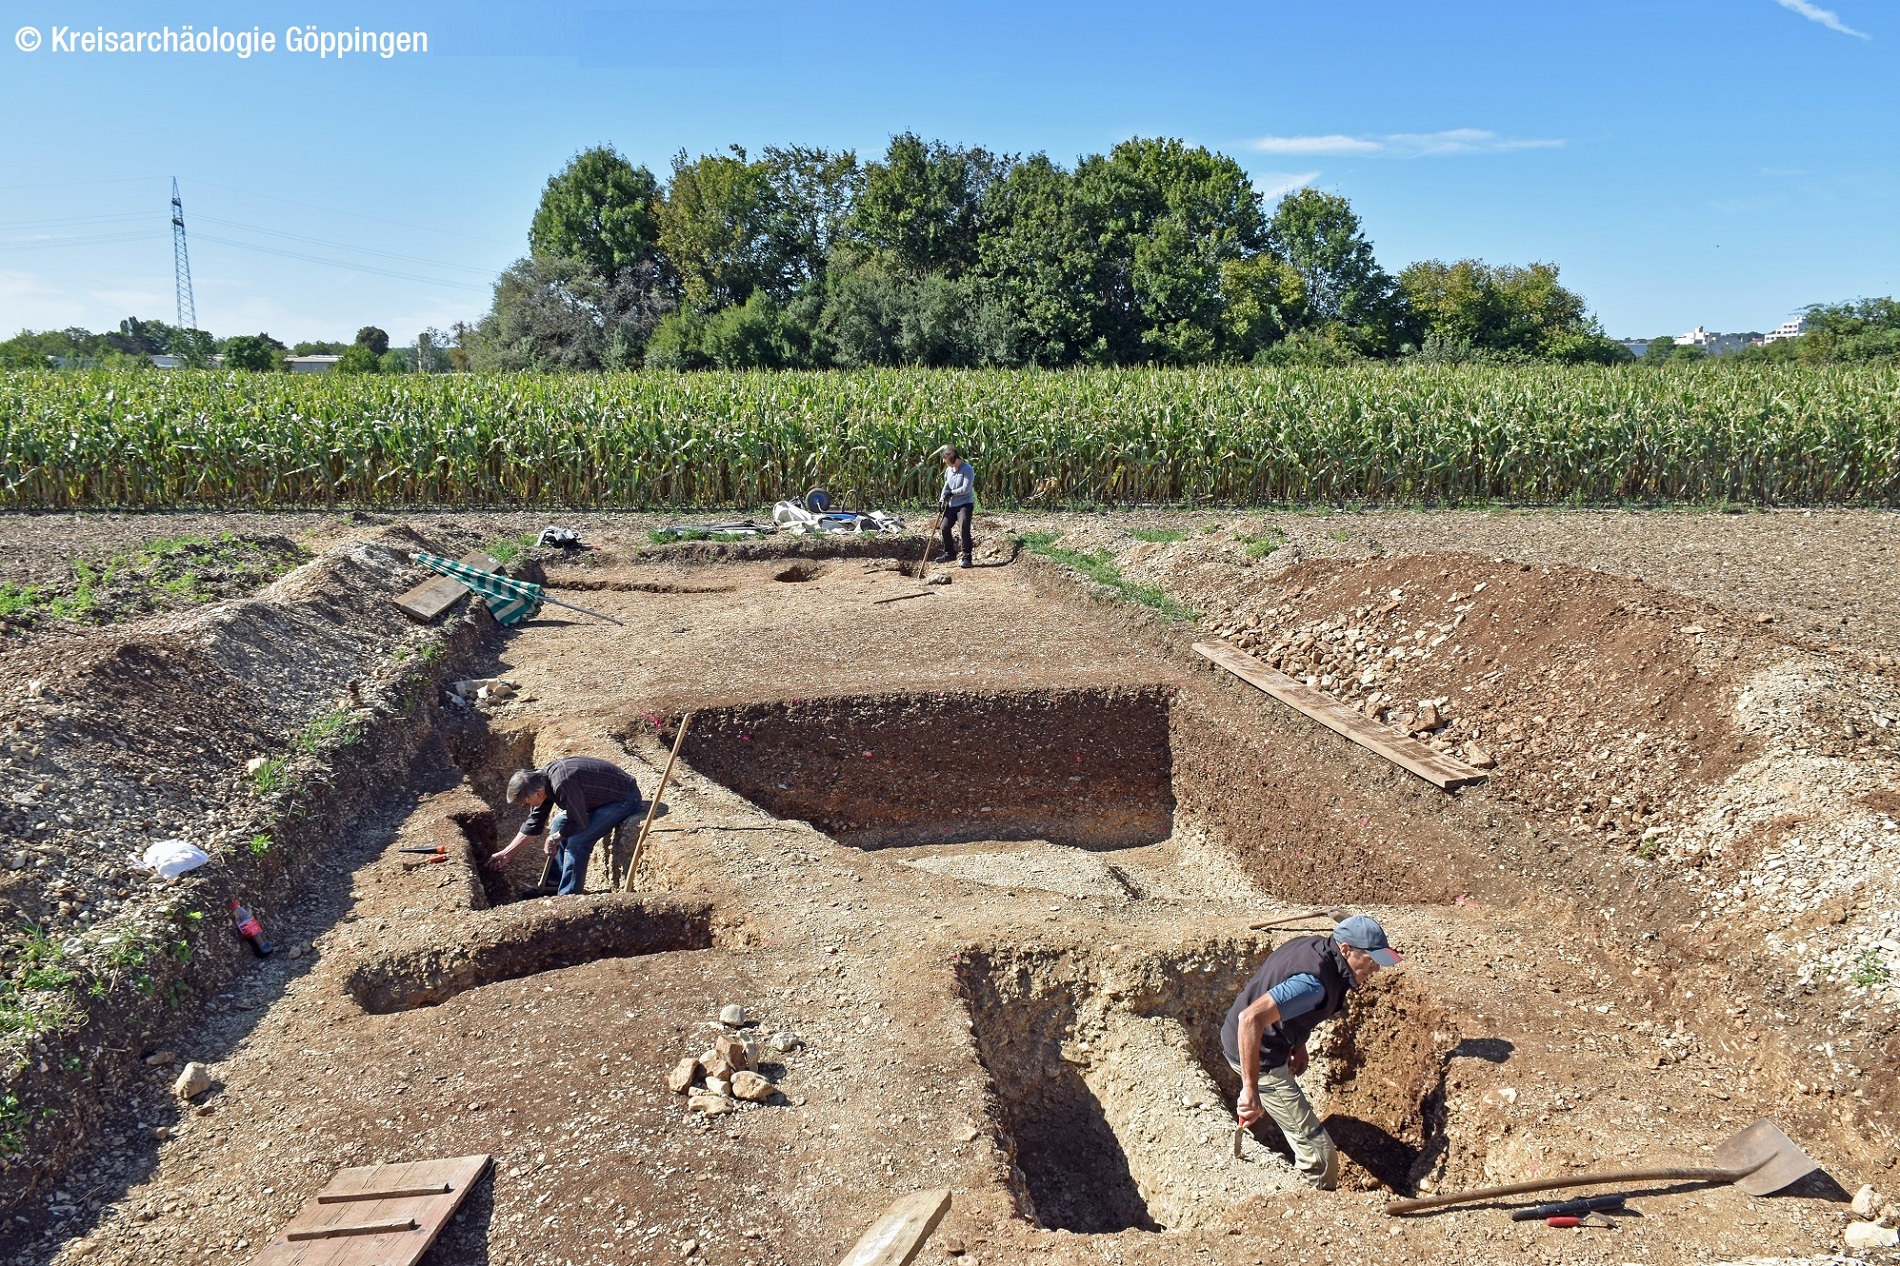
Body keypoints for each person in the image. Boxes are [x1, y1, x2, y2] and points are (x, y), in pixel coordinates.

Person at [1219, 914, 1402, 1190]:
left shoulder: (1317, 949)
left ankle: (1255, 1147)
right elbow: (1250, 1019)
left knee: (1270, 1110)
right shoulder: (1313, 983)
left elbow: (1289, 1006)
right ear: (1346, 950)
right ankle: (1311, 1203)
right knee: (1321, 1157)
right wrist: (1250, 1087)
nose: (1376, 967)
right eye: (1371, 959)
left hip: (1260, 1041)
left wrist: (1298, 1042)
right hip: (1260, 1053)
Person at [484, 756, 644, 895]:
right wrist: (506, 853)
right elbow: (533, 825)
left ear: (538, 794)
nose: (524, 807)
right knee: (558, 821)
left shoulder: (562, 784)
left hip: (624, 797)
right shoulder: (541, 781)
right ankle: (553, 884)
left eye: (526, 803)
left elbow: (579, 822)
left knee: (578, 842)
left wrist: (555, 837)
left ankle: (568, 897)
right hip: (600, 798)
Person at [933, 444, 976, 568]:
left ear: (955, 459)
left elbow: (966, 489)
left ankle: (967, 558)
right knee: (944, 527)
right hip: (952, 505)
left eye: (948, 462)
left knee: (964, 528)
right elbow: (946, 486)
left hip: (965, 505)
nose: (947, 465)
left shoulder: (967, 469)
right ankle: (950, 553)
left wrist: (952, 493)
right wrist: (941, 500)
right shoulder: (949, 470)